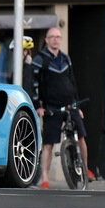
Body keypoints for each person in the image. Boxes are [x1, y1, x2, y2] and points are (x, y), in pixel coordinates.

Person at [31, 28, 95, 189]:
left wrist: (77, 104)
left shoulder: (66, 59)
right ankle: (45, 178)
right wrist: (38, 106)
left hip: (70, 104)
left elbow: (73, 82)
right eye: (52, 37)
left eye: (58, 37)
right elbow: (34, 84)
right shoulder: (40, 59)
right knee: (49, 144)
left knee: (81, 137)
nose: (55, 39)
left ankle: (86, 169)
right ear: (46, 40)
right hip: (51, 106)